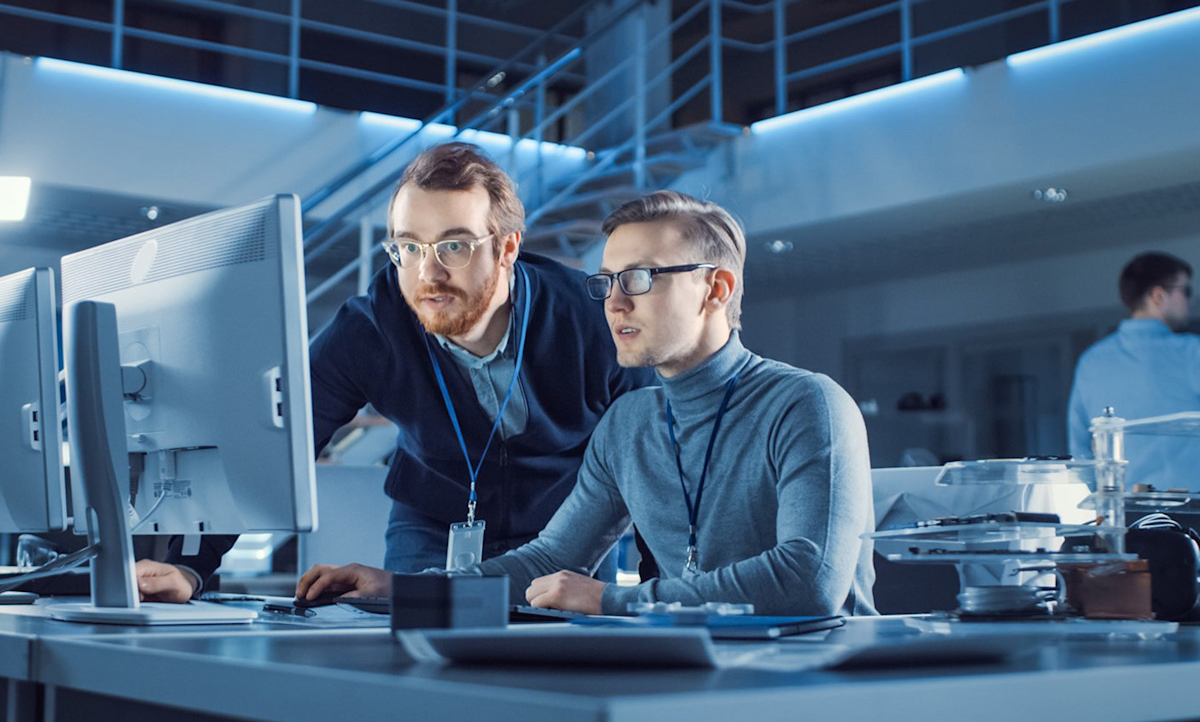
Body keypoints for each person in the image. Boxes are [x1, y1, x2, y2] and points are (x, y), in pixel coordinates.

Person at [298, 190, 877, 617]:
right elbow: (548, 558)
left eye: (641, 278)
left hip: (820, 674)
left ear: (716, 289)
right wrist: (403, 587)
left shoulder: (808, 404)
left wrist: (615, 599)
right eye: (606, 282)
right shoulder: (630, 423)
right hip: (707, 670)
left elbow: (811, 580)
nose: (615, 304)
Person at [135, 142, 653, 602]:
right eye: (409, 246)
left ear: (507, 247)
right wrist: (191, 566)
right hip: (431, 524)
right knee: (417, 669)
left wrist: (664, 594)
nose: (428, 273)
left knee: (562, 678)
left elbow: (652, 460)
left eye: (454, 245)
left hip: (560, 532)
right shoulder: (371, 327)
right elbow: (275, 447)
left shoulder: (592, 321)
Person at [1068, 251, 1200, 489]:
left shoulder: (1092, 361)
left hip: (1123, 513)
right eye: (1186, 291)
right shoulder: (1191, 352)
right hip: (1190, 514)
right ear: (1158, 295)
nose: (1190, 300)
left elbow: (1080, 451)